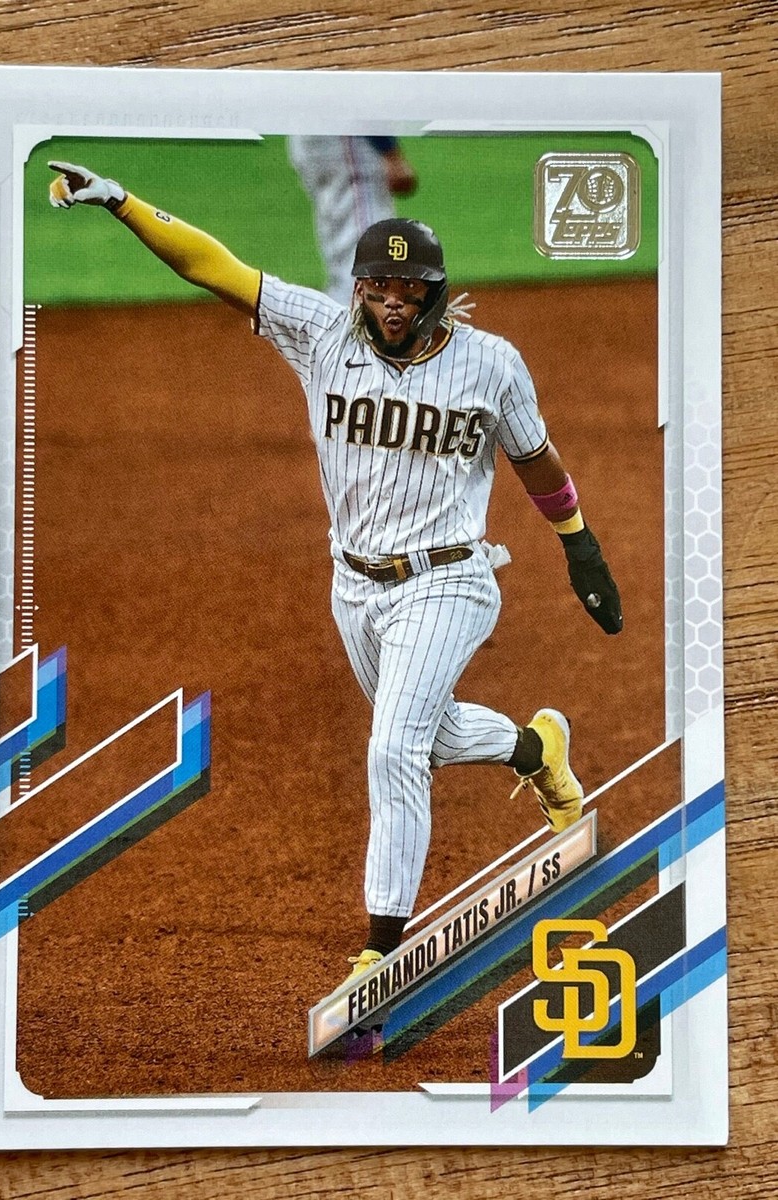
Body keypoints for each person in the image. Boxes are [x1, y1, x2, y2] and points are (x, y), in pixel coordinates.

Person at [48, 161, 623, 989]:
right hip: (353, 587)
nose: (391, 302)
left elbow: (535, 459)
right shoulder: (323, 333)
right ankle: (537, 748)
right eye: (377, 287)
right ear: (360, 290)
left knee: (393, 748)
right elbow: (214, 267)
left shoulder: (492, 364)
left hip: (451, 580)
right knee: (427, 735)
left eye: (408, 290)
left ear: (434, 294)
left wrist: (580, 544)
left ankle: (382, 951)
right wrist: (120, 200)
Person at [287, 136, 418, 304]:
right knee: (367, 255)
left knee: (343, 240)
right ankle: (355, 313)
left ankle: (343, 307)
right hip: (346, 138)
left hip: (310, 138)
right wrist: (390, 152)